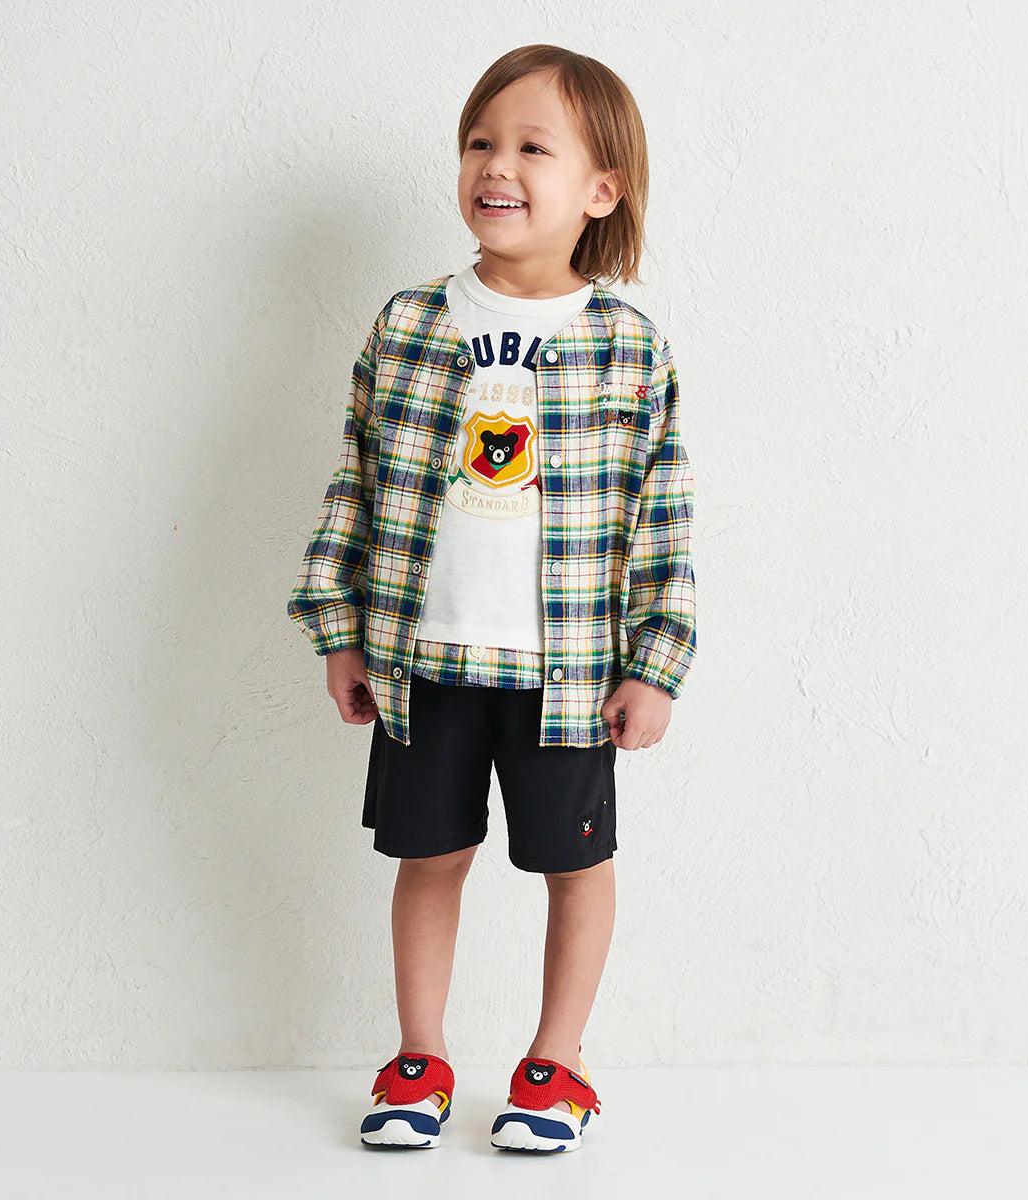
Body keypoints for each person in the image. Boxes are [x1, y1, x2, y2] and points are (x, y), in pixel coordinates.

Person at [287, 43, 696, 1153]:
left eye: (530, 147)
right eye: (480, 142)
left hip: (570, 677)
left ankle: (557, 1066)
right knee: (430, 859)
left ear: (600, 190)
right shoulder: (411, 322)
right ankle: (418, 1059)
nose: (496, 166)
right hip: (424, 662)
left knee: (576, 865)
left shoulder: (627, 347)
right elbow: (356, 479)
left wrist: (656, 664)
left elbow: (661, 516)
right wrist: (339, 631)